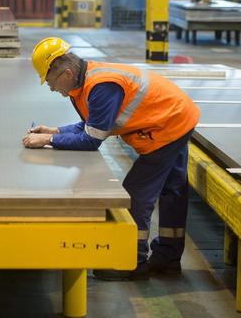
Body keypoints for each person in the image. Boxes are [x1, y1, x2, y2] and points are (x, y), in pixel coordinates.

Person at [23, 37, 200, 281]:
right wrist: (56, 131)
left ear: (65, 73)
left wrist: (48, 141)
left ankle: (131, 262)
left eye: (50, 81)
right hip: (178, 115)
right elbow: (92, 124)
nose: (51, 88)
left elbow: (91, 140)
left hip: (167, 126)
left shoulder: (102, 85)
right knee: (173, 189)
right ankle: (167, 259)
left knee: (136, 195)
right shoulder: (85, 80)